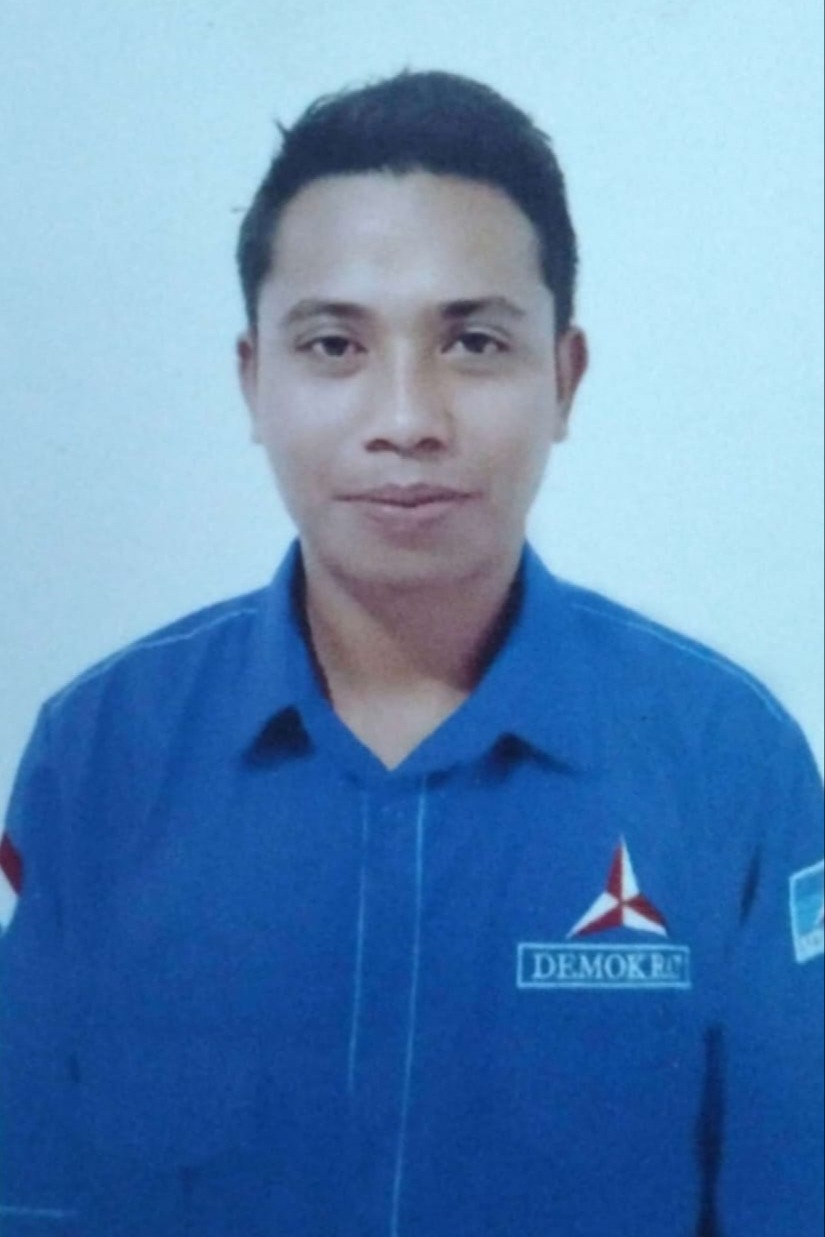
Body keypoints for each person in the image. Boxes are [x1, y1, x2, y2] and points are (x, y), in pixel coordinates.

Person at [0, 69, 822, 1237]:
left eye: (474, 342)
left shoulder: (731, 763)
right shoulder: (100, 755)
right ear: (255, 380)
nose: (406, 419)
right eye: (334, 344)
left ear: (564, 378)